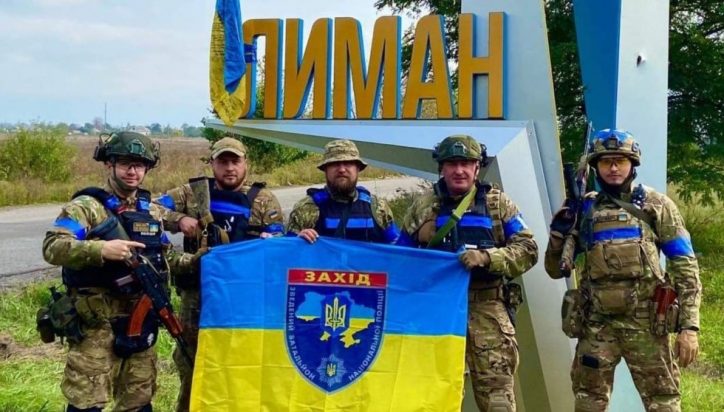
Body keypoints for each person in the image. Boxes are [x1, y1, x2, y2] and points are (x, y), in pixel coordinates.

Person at [544, 129, 701, 412]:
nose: (613, 168)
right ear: (596, 166)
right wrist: (559, 233)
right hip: (597, 324)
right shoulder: (584, 208)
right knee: (588, 401)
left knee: (663, 401)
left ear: (632, 164)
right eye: (606, 162)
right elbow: (556, 270)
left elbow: (685, 266)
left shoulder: (656, 205)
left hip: (646, 324)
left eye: (620, 161)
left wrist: (689, 327)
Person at [42, 131, 195, 412]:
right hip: (96, 325)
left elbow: (164, 257)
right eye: (125, 163)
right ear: (109, 164)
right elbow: (53, 246)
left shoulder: (151, 212)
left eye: (139, 165)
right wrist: (101, 250)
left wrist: (198, 261)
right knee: (86, 404)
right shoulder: (87, 207)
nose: (133, 171)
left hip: (141, 321)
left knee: (138, 403)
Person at [399, 134, 538, 411]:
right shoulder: (423, 206)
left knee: (498, 401)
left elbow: (528, 249)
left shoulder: (497, 203)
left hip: (488, 313)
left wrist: (488, 257)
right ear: (441, 167)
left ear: (477, 167)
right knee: (436, 401)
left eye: (466, 163)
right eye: (452, 164)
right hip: (438, 316)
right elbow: (400, 258)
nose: (459, 170)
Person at [154, 136, 284, 412]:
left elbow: (279, 242)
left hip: (243, 298)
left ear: (246, 163)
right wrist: (179, 219)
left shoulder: (263, 199)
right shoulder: (192, 193)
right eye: (222, 162)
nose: (229, 168)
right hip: (198, 295)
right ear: (212, 164)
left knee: (241, 366)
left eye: (235, 161)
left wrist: (269, 242)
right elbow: (148, 209)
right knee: (193, 365)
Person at [287, 139, 400, 244]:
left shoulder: (377, 207)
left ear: (358, 168)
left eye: (348, 163)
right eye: (335, 164)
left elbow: (397, 248)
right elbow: (286, 251)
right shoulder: (307, 208)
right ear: (325, 170)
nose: (341, 169)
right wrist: (298, 240)